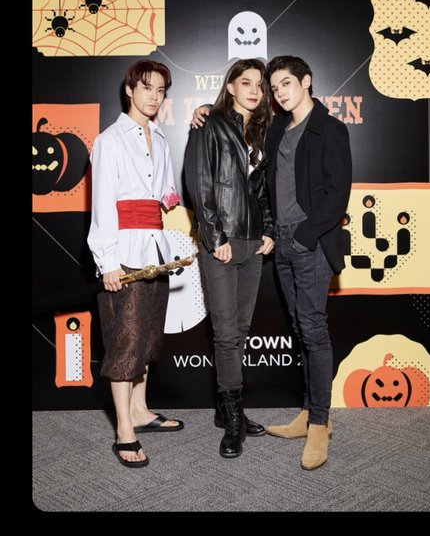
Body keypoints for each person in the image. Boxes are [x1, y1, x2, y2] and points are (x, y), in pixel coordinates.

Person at [192, 55, 352, 470]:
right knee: (299, 328)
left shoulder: (330, 129)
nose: (277, 92)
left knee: (313, 330)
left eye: (284, 84)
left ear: (306, 81)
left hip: (309, 243)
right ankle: (307, 412)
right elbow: (234, 162)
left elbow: (338, 195)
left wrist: (302, 235)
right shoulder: (276, 128)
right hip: (278, 244)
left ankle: (320, 423)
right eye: (273, 86)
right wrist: (205, 110)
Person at [87, 59, 184, 469]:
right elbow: (102, 205)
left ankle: (141, 411)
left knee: (147, 338)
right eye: (147, 88)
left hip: (155, 251)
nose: (154, 97)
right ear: (130, 90)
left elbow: (165, 193)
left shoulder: (160, 138)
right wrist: (107, 261)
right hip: (123, 253)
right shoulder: (109, 140)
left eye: (161, 91)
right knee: (124, 343)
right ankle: (124, 429)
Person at [184, 59, 275, 458]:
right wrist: (215, 236)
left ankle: (226, 410)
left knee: (240, 327)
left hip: (252, 244)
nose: (254, 90)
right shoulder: (210, 123)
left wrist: (268, 230)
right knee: (224, 333)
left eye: (260, 84)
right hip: (222, 243)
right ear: (231, 86)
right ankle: (234, 418)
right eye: (246, 82)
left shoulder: (261, 131)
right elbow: (199, 183)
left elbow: (261, 189)